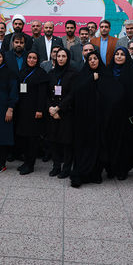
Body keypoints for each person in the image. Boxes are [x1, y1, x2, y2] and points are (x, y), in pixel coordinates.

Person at [71, 51, 116, 188]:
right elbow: (76, 91)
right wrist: (91, 79)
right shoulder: (83, 75)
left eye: (95, 58)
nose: (92, 61)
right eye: (89, 59)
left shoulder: (106, 75)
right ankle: (81, 174)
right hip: (84, 119)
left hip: (100, 119)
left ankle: (95, 174)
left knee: (98, 148)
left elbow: (112, 94)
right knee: (83, 148)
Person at [108, 47, 133, 180]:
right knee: (110, 142)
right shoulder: (108, 72)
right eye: (117, 54)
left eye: (122, 54)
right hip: (110, 115)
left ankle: (122, 170)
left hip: (126, 115)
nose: (119, 56)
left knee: (124, 144)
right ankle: (111, 168)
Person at [15, 51, 48, 175]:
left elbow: (42, 94)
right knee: (23, 137)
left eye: (34, 58)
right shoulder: (22, 72)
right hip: (22, 111)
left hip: (34, 111)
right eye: (29, 57)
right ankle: (26, 161)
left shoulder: (41, 73)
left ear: (37, 60)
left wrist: (40, 110)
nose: (31, 60)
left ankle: (30, 164)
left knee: (32, 139)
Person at [46, 48, 76, 179]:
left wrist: (58, 108)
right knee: (53, 140)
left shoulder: (73, 74)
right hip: (52, 112)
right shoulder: (51, 73)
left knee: (66, 142)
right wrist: (50, 109)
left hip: (66, 112)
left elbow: (72, 95)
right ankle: (56, 166)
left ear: (68, 58)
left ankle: (67, 168)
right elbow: (46, 93)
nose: (61, 59)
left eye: (64, 56)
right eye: (59, 56)